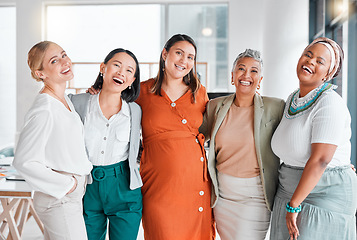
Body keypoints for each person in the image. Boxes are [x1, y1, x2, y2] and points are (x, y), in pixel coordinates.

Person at [270, 37, 357, 240]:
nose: (310, 61)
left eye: (320, 61)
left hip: (322, 195)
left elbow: (321, 160)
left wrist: (294, 204)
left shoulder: (330, 103)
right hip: (288, 190)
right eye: (308, 55)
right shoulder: (293, 98)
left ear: (330, 73)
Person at [199, 49, 285, 239]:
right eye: (241, 69)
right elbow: (194, 137)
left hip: (255, 198)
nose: (247, 75)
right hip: (223, 196)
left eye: (254, 71)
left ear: (260, 79)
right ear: (232, 76)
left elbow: (296, 137)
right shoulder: (215, 106)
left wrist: (332, 162)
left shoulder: (276, 107)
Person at [13, 41, 93, 239]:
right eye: (54, 60)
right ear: (41, 73)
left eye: (64, 55)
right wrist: (69, 185)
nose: (65, 62)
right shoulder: (45, 109)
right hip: (60, 198)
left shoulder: (63, 100)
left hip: (67, 196)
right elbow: (23, 161)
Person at [68, 48, 143, 240]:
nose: (121, 72)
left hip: (124, 187)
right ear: (103, 68)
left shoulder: (136, 111)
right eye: (116, 65)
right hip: (87, 186)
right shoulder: (77, 103)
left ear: (132, 80)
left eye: (129, 70)